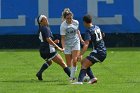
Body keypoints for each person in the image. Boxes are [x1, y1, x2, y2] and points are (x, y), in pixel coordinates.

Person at [72, 14, 107, 84]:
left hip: (98, 52)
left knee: (84, 64)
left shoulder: (88, 31)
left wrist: (80, 54)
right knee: (83, 62)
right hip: (102, 51)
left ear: (84, 22)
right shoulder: (97, 27)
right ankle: (93, 78)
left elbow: (86, 45)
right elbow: (103, 35)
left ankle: (79, 81)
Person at [36, 15, 70, 80]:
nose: (47, 20)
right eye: (45, 19)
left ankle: (39, 73)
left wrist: (54, 41)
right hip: (49, 50)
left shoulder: (40, 29)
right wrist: (58, 47)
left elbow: (45, 40)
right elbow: (48, 39)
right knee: (63, 63)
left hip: (42, 51)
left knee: (49, 62)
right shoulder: (45, 28)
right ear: (41, 22)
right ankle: (73, 78)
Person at [60, 9, 84, 80]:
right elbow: (63, 38)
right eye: (68, 18)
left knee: (74, 60)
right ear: (65, 18)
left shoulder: (76, 22)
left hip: (75, 42)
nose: (69, 20)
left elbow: (77, 31)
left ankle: (72, 77)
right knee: (68, 64)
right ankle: (73, 74)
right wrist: (63, 47)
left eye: (70, 18)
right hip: (67, 44)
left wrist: (81, 39)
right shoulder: (63, 26)